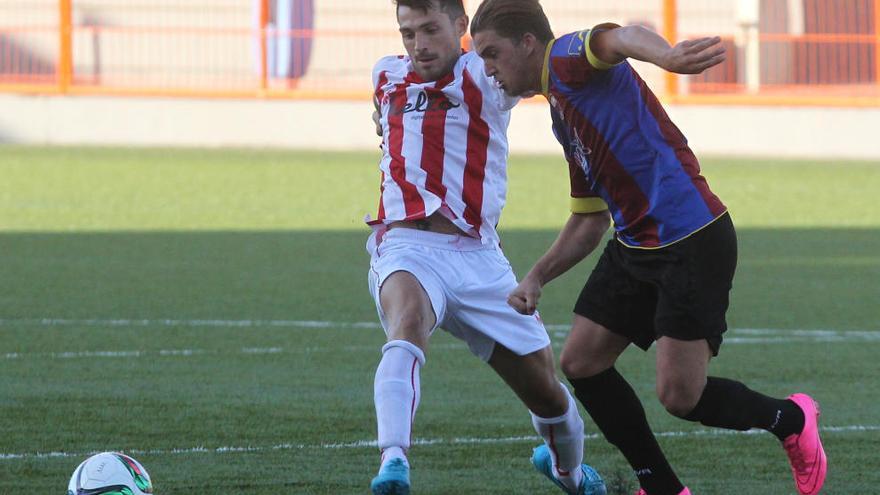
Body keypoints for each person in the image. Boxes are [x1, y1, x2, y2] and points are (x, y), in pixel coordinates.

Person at [469, 2, 827, 495]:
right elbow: (590, 219)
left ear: (528, 44)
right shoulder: (561, 112)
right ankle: (661, 487)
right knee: (581, 363)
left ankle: (792, 419)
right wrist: (536, 277)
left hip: (692, 238)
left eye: (492, 53)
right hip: (635, 244)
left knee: (681, 397)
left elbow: (622, 38)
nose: (488, 68)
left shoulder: (569, 56)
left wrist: (669, 56)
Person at [365, 1, 606, 494]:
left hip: (478, 256)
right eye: (408, 33)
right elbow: (384, 110)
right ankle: (393, 464)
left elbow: (536, 59)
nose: (418, 44)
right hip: (405, 244)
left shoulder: (486, 73)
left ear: (460, 28)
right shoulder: (386, 74)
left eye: (430, 30)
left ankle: (570, 473)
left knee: (548, 394)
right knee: (406, 319)